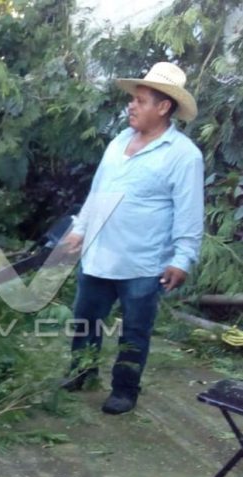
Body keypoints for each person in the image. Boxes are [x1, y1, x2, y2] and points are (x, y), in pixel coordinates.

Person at [61, 62, 204, 415]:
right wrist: (80, 227)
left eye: (140, 101)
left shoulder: (183, 156)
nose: (132, 106)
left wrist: (182, 258)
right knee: (85, 321)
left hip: (142, 263)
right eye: (133, 100)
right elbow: (98, 192)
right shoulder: (119, 142)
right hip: (97, 255)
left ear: (164, 107)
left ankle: (125, 389)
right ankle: (82, 371)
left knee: (135, 330)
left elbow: (189, 211)